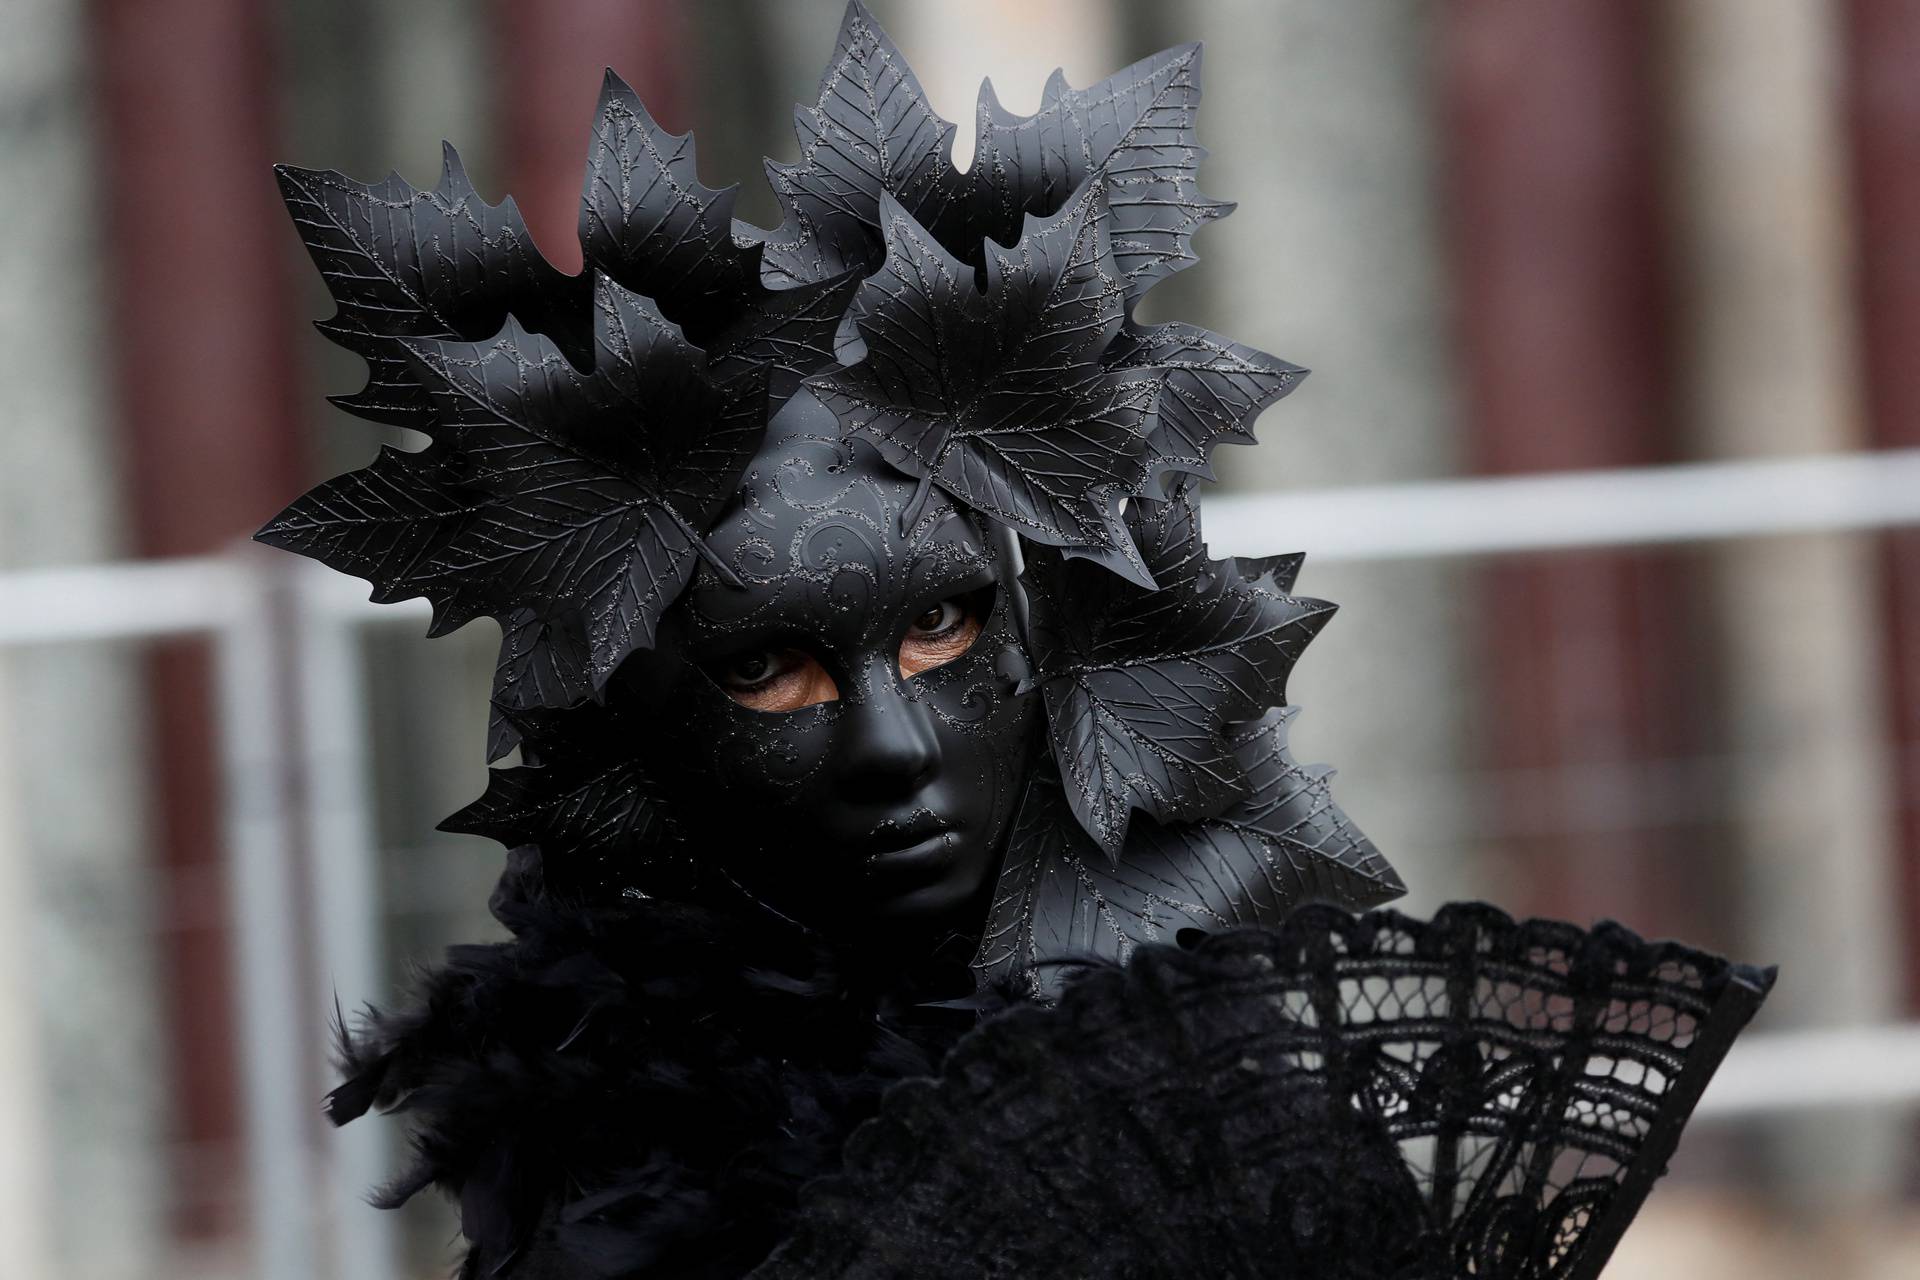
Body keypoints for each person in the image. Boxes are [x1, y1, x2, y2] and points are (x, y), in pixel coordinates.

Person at [263, 6, 1769, 1276]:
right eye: (765, 667)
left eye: (937, 627)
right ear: (629, 717)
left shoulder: (1213, 1079)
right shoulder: (602, 1128)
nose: (891, 755)